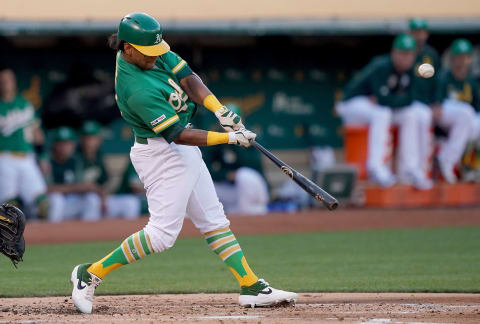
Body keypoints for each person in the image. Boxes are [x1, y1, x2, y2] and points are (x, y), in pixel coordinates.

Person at [70, 12, 297, 314]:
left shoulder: (150, 50)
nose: (156, 57)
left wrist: (219, 110)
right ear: (127, 49)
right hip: (160, 154)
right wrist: (229, 139)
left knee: (214, 220)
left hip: (181, 149)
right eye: (149, 54)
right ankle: (89, 273)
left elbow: (189, 79)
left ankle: (251, 285)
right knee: (162, 235)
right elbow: (178, 135)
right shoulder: (136, 88)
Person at [336, 34, 433, 190]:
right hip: (352, 104)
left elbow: (410, 99)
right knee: (382, 113)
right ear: (394, 52)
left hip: (377, 106)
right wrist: (393, 99)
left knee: (411, 115)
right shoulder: (381, 66)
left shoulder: (412, 71)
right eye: (402, 53)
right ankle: (376, 167)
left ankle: (409, 170)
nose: (405, 58)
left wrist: (390, 99)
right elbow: (383, 100)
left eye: (409, 54)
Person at [0, 66, 48, 219]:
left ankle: (46, 239)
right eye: (2, 80)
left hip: (27, 158)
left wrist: (43, 157)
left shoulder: (24, 104)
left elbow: (37, 135)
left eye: (8, 79)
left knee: (44, 204)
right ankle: (12, 241)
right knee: (10, 207)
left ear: (14, 81)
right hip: (4, 158)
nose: (5, 83)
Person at [433, 39, 480, 183]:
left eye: (465, 57)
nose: (461, 61)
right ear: (452, 59)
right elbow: (436, 107)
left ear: (470, 59)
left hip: (462, 129)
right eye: (458, 57)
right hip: (443, 124)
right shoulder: (443, 77)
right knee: (465, 112)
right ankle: (446, 160)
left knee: (470, 117)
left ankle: (472, 168)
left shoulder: (472, 82)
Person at [77, 120, 141, 219]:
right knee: (91, 199)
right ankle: (88, 233)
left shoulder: (99, 157)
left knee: (130, 203)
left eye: (92, 138)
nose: (89, 142)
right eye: (87, 138)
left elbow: (105, 183)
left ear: (99, 140)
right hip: (81, 199)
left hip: (101, 198)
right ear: (81, 139)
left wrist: (103, 194)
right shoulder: (76, 157)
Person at [47, 126, 103, 222]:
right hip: (51, 204)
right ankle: (52, 233)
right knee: (57, 200)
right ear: (55, 145)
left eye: (68, 143)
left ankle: (89, 233)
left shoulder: (76, 161)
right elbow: (47, 189)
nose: (65, 147)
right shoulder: (47, 162)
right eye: (61, 143)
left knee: (92, 199)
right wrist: (74, 188)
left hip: (70, 201)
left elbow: (82, 186)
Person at [408, 18, 440, 107]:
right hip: (408, 102)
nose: (419, 37)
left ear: (426, 34)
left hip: (428, 102)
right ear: (409, 34)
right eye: (416, 33)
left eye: (421, 33)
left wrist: (437, 101)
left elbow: (438, 81)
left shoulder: (432, 54)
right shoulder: (404, 54)